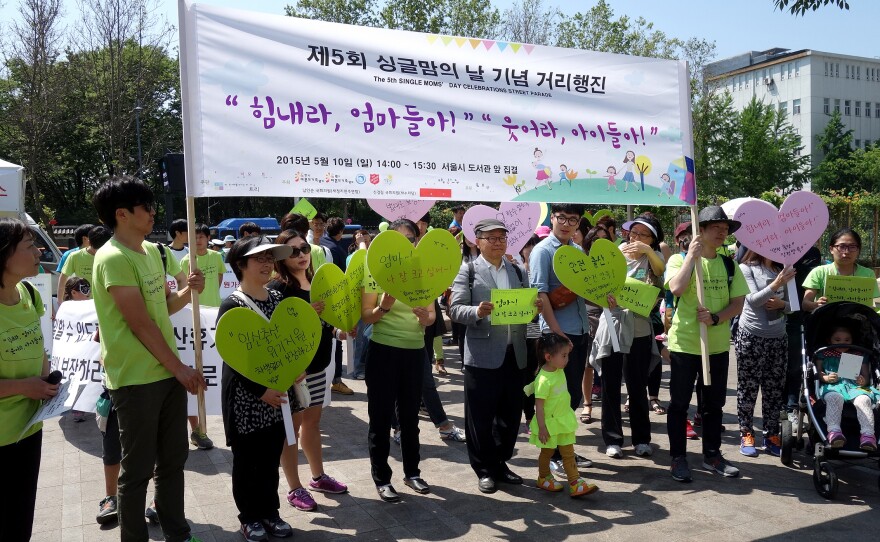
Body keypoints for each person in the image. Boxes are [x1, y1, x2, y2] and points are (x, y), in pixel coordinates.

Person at [91, 176, 206, 542]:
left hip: (166, 373)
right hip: (136, 379)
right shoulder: (113, 257)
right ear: (122, 214)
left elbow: (159, 310)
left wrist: (189, 292)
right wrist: (180, 369)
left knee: (173, 461)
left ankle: (178, 532)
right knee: (137, 470)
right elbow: (138, 323)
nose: (153, 213)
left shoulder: (149, 252)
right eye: (146, 208)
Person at [448, 218, 536, 494]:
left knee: (510, 416)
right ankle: (484, 469)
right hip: (483, 355)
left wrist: (534, 311)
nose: (498, 243)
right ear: (478, 241)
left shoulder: (518, 270)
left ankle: (501, 463)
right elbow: (455, 309)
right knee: (480, 417)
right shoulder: (468, 271)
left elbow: (527, 310)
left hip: (516, 353)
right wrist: (477, 312)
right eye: (491, 238)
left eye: (502, 238)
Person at [217, 236, 293, 541]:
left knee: (270, 460)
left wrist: (294, 369)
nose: (266, 263)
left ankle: (270, 512)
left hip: (276, 398)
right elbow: (231, 357)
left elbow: (286, 344)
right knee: (247, 462)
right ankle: (249, 516)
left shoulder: (275, 298)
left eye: (269, 258)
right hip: (246, 401)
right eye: (259, 258)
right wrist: (260, 390)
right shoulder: (231, 304)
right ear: (241, 265)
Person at [267, 230, 349, 513]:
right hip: (293, 372)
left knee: (312, 423)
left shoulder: (317, 282)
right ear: (281, 257)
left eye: (304, 248)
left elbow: (328, 323)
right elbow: (278, 333)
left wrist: (340, 331)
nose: (301, 255)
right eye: (292, 251)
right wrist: (307, 315)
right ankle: (293, 487)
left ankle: (318, 476)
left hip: (318, 367)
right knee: (292, 430)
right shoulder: (278, 289)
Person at [665, 206, 748, 483]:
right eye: (716, 226)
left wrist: (715, 318)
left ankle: (712, 454)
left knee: (713, 404)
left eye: (725, 228)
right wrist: (691, 256)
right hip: (684, 344)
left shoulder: (728, 264)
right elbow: (676, 288)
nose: (722, 231)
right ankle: (678, 458)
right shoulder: (679, 260)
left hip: (717, 346)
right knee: (678, 404)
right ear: (699, 229)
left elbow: (738, 304)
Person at [361, 219, 436, 503]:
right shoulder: (375, 269)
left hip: (415, 352)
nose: (406, 243)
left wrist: (423, 316)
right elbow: (367, 316)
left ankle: (412, 472)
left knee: (410, 416)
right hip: (383, 351)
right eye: (399, 238)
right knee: (379, 418)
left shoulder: (423, 272)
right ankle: (382, 478)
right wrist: (384, 306)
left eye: (411, 238)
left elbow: (430, 317)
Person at [0, 218, 58, 541]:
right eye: (29, 246)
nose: (39, 252)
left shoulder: (27, 295)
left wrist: (46, 381)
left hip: (29, 431)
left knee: (20, 523)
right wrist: (26, 387)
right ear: (4, 255)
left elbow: (40, 350)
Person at [593, 216, 665, 460]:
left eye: (643, 235)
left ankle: (642, 439)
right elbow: (599, 283)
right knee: (611, 383)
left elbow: (660, 271)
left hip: (639, 328)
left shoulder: (654, 257)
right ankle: (612, 439)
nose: (635, 238)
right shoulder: (616, 253)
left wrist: (648, 250)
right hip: (613, 323)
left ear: (653, 239)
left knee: (637, 385)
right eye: (633, 232)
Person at [529, 203, 593, 472]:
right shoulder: (542, 251)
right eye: (562, 218)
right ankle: (553, 454)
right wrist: (557, 333)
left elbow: (586, 288)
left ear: (579, 224)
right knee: (555, 398)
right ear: (552, 218)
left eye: (573, 220)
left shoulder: (577, 251)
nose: (566, 224)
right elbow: (540, 295)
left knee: (571, 397)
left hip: (579, 330)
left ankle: (563, 449)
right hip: (556, 335)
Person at [734, 250, 796, 458]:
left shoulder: (784, 269)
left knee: (774, 391)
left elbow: (793, 306)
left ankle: (771, 436)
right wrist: (777, 284)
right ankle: (746, 433)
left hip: (778, 338)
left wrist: (781, 305)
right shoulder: (746, 268)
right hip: (752, 336)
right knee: (748, 389)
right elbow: (752, 300)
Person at [526, 333, 599, 497]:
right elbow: (539, 406)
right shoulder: (543, 380)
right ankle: (543, 477)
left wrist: (566, 346)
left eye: (567, 355)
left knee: (568, 452)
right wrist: (542, 427)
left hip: (563, 421)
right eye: (564, 356)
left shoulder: (558, 369)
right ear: (548, 357)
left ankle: (575, 482)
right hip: (549, 424)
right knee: (547, 452)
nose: (567, 359)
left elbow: (563, 351)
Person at [815, 326, 879, 451]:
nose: (842, 343)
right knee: (834, 397)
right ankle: (834, 431)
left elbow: (866, 377)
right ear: (830, 340)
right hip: (833, 386)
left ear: (852, 340)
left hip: (854, 387)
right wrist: (826, 378)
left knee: (863, 400)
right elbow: (818, 373)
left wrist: (862, 380)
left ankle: (868, 435)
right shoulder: (824, 353)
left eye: (847, 340)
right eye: (837, 340)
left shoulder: (858, 353)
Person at [802, 228, 880, 312]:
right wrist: (817, 305)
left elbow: (874, 303)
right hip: (827, 321)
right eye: (841, 246)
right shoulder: (818, 272)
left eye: (852, 247)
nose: (846, 252)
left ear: (858, 250)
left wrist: (870, 308)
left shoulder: (868, 274)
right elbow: (805, 304)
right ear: (831, 249)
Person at [579, 226, 610, 424]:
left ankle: (610, 405)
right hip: (589, 316)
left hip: (611, 316)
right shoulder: (581, 263)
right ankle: (587, 404)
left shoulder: (615, 261)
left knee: (609, 363)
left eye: (604, 239)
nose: (599, 243)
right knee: (587, 365)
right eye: (595, 239)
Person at [57, 225, 111, 302]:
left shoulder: (111, 257)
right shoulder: (75, 256)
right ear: (89, 241)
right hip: (82, 303)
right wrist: (60, 301)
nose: (99, 252)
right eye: (97, 248)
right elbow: (63, 279)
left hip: (105, 302)